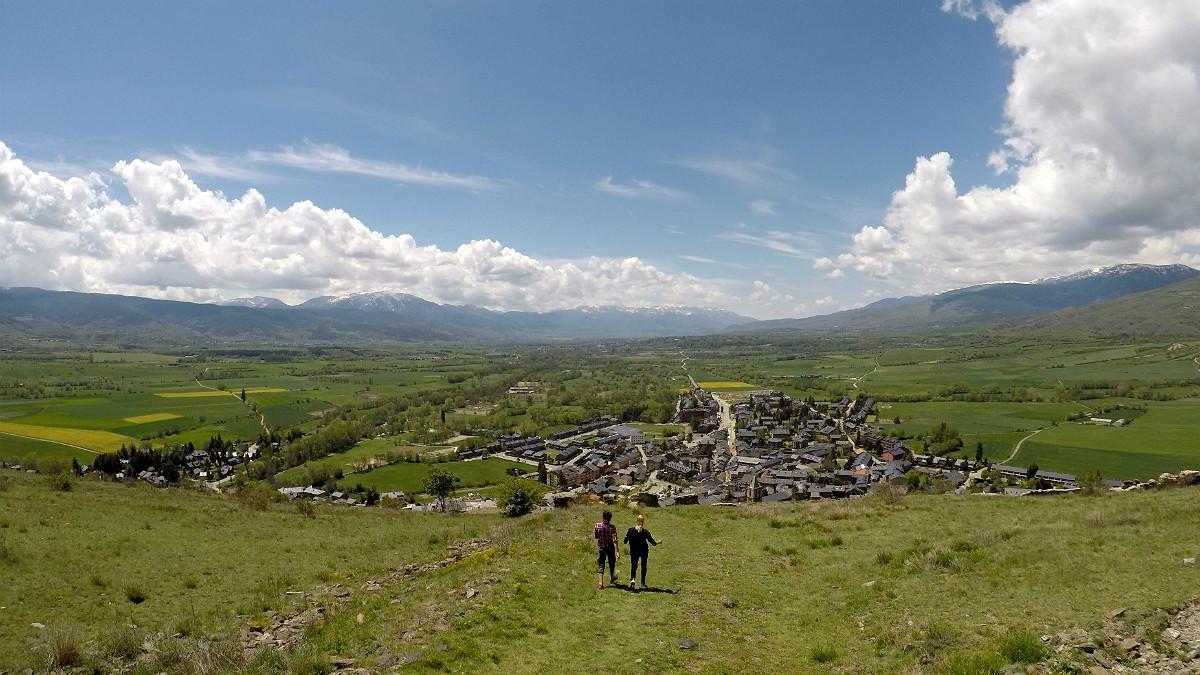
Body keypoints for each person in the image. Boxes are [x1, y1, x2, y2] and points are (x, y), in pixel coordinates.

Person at [624, 513, 660, 589]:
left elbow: (624, 541)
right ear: (643, 522)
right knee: (643, 566)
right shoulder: (645, 532)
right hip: (643, 551)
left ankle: (633, 580)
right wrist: (658, 542)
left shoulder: (630, 530)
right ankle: (643, 584)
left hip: (633, 551)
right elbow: (653, 542)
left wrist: (629, 538)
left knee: (634, 566)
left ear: (636, 520)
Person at [594, 510, 619, 589]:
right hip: (610, 547)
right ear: (610, 518)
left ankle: (600, 583)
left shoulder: (597, 526)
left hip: (602, 546)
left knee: (601, 564)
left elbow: (596, 537)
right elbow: (614, 540)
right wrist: (617, 551)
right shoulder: (612, 527)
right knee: (611, 562)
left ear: (603, 517)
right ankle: (612, 577)